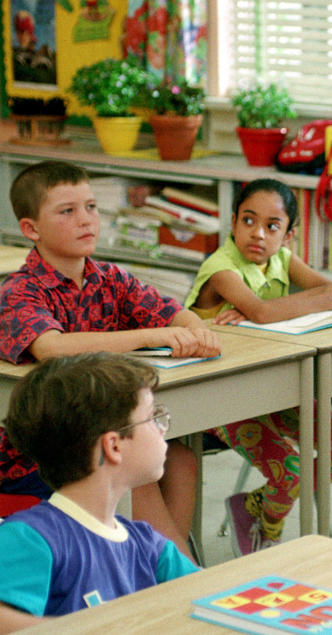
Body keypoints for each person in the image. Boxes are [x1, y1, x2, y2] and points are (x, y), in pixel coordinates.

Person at [0, 160, 221, 561]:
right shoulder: (19, 290)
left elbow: (174, 312)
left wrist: (195, 331)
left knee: (182, 460)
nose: (86, 220)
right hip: (38, 451)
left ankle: (155, 567)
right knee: (136, 467)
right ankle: (176, 577)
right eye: (67, 211)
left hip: (102, 433)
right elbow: (50, 347)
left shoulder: (111, 278)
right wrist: (152, 336)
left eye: (92, 207)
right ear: (31, 229)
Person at [184, 178, 332, 556]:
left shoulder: (283, 259)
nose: (258, 234)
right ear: (233, 222)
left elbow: (331, 292)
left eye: (272, 226)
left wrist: (307, 300)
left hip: (276, 387)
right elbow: (265, 311)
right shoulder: (221, 268)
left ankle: (256, 503)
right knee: (290, 471)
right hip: (220, 397)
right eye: (249, 221)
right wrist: (279, 308)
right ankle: (268, 525)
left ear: (288, 236)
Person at [0, 353, 199, 630]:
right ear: (114, 446)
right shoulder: (31, 538)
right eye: (153, 417)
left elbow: (209, 596)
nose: (162, 428)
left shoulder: (150, 547)